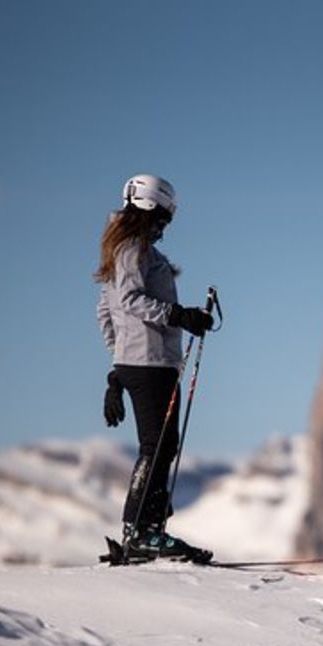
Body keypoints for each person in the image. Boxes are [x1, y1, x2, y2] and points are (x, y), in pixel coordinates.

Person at [94, 174, 214, 561]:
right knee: (156, 447)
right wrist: (178, 315)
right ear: (149, 207)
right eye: (162, 217)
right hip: (150, 363)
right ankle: (140, 531)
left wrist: (119, 365)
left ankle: (149, 528)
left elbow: (105, 311)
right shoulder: (131, 248)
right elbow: (128, 299)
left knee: (164, 446)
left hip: (148, 361)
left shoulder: (125, 248)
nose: (164, 226)